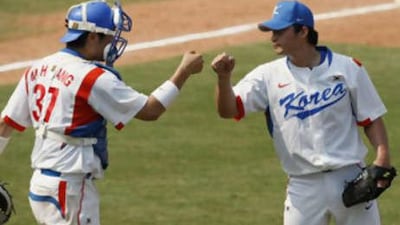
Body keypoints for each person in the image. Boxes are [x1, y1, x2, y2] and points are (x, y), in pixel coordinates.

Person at [0, 0, 203, 224]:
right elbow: (150, 110)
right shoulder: (92, 77)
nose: (114, 42)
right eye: (110, 36)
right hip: (70, 190)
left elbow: (5, 125)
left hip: (41, 187)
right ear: (93, 37)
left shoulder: (39, 67)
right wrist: (183, 71)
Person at [210, 1, 393, 225]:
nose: (272, 37)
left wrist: (382, 158)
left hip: (351, 176)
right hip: (303, 187)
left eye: (279, 31)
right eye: (271, 31)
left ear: (303, 31)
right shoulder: (267, 76)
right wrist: (223, 79)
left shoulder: (348, 68)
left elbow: (371, 118)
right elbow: (228, 110)